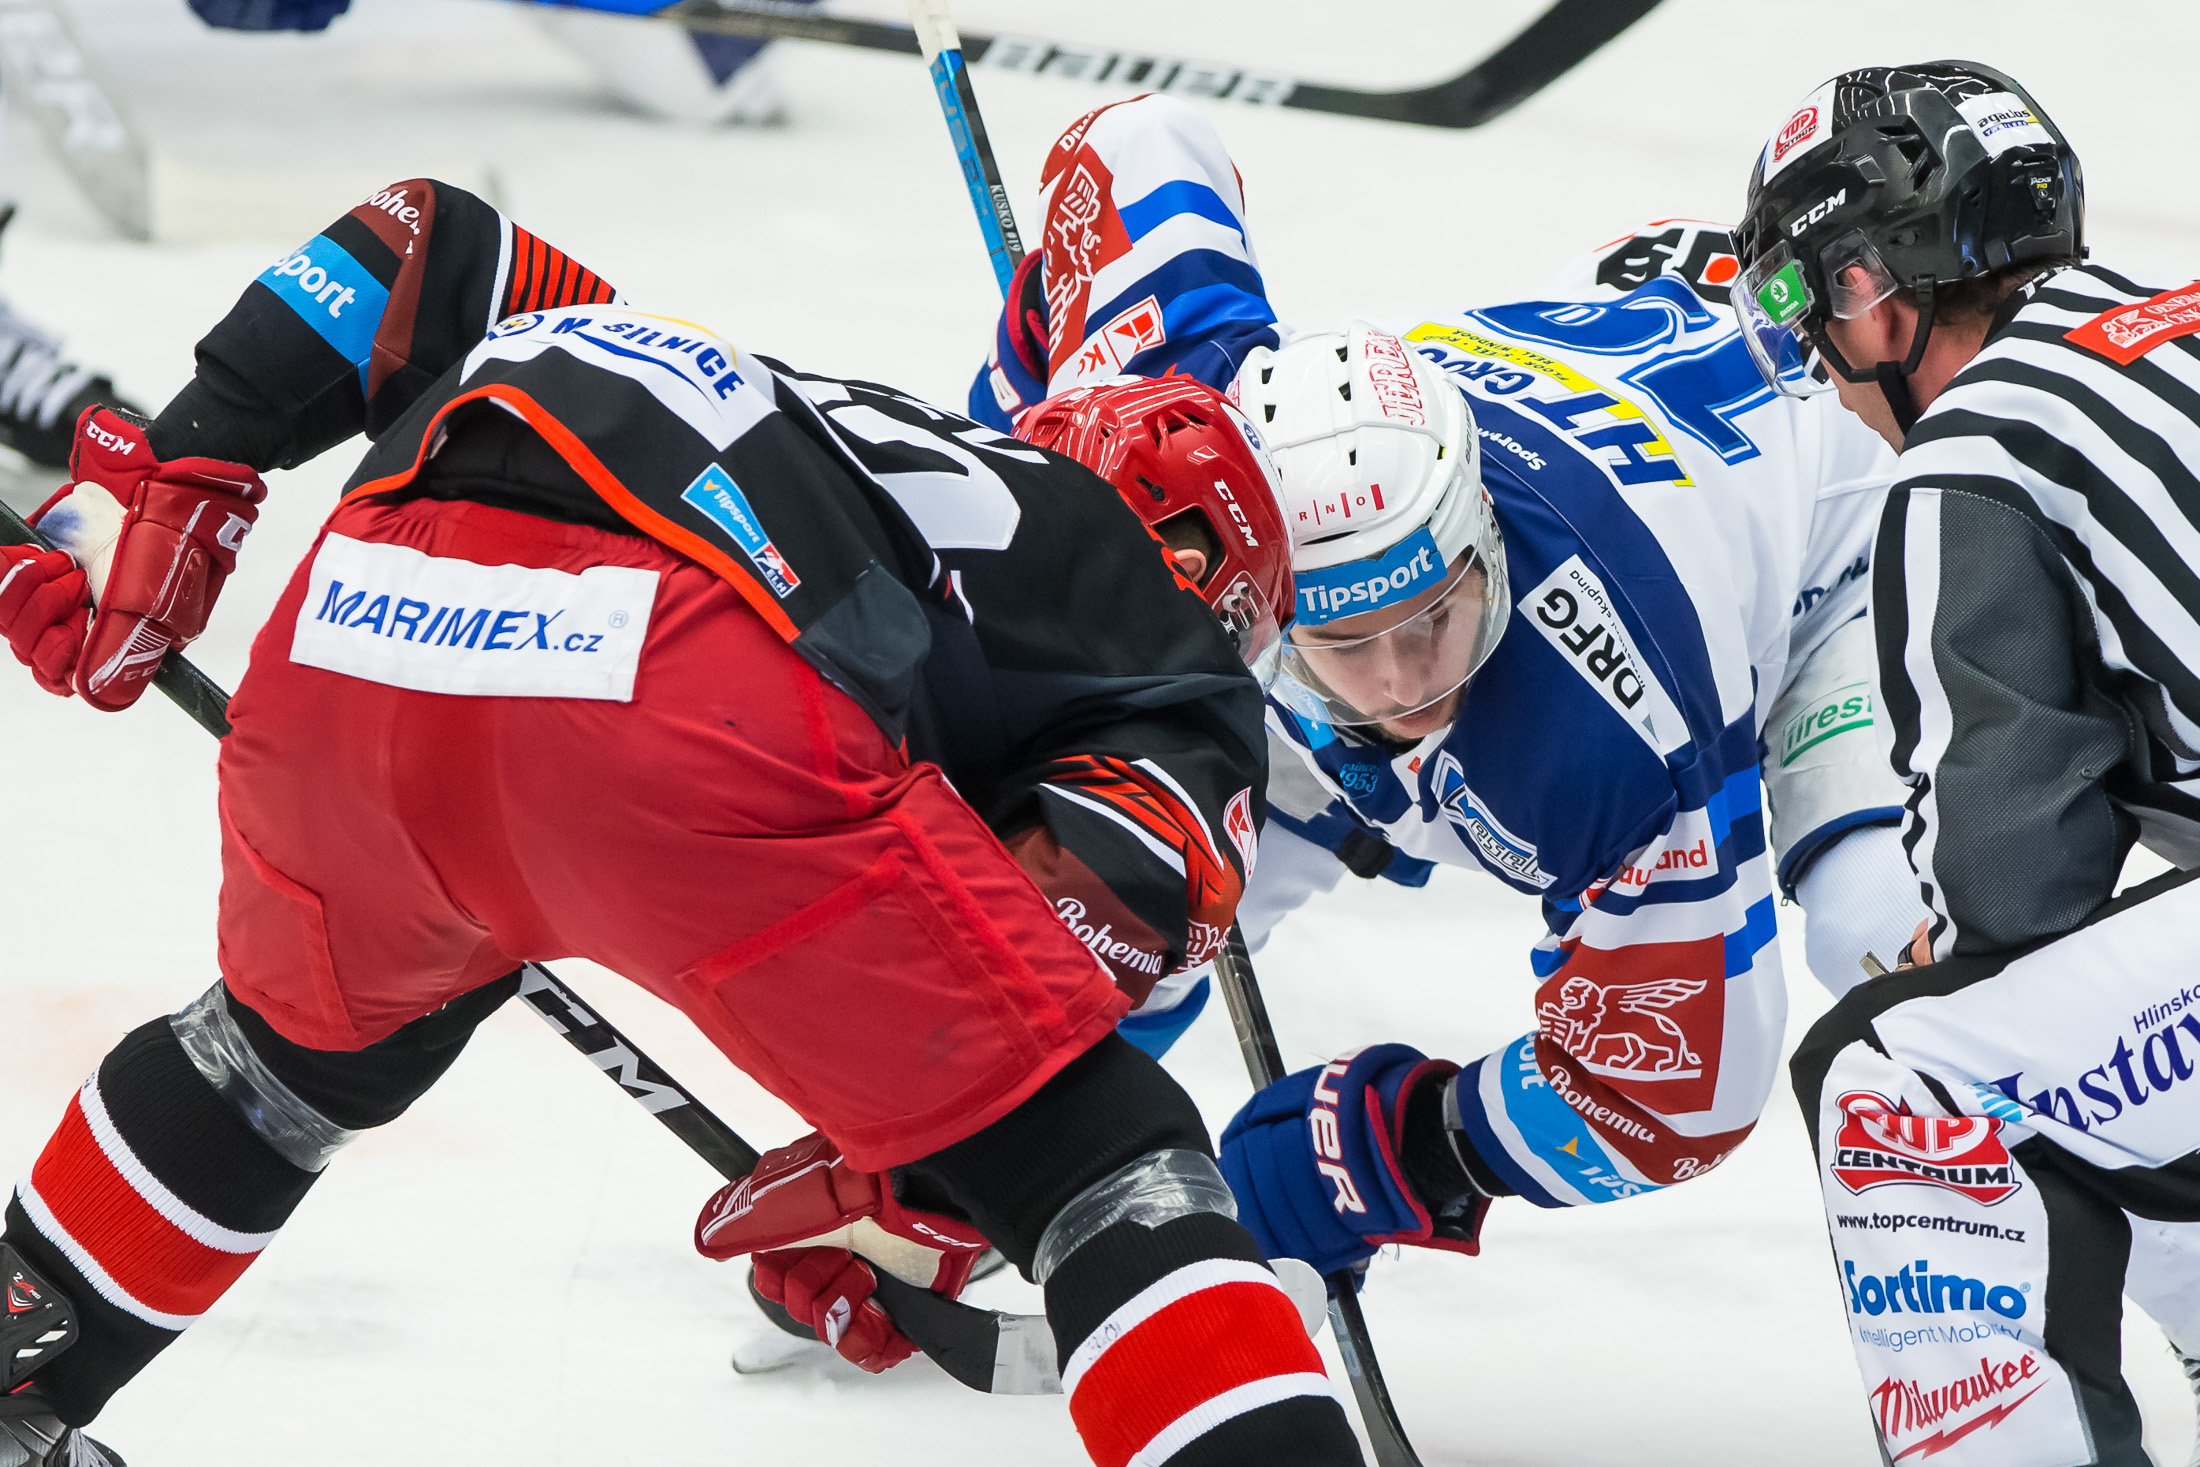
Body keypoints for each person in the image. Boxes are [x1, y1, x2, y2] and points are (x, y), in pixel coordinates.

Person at [0, 177, 1357, 1467]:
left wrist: (178, 472)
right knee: (1099, 1154)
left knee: (272, 1065)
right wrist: (926, 1182)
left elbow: (415, 235)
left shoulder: (782, 404)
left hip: (352, 639)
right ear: (1205, 568)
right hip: (690, 693)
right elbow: (1094, 917)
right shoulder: (1157, 618)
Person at [970, 93, 1920, 1277]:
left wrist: (1403, 1149)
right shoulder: (1199, 440)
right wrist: (1059, 393)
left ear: (1485, 539)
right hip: (1651, 335)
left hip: (1836, 553)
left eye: (1434, 616)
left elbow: (1687, 1087)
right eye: (1345, 638)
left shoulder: (1609, 723)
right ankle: (982, 1168)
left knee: (1884, 931)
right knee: (1122, 896)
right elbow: (1131, 148)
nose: (1404, 684)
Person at [1733, 60, 2200, 1466]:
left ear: (1873, 292)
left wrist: (1952, 948)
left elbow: (2013, 880)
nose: (1825, 375)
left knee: (1906, 1071)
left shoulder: (1972, 458)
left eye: (1810, 319)